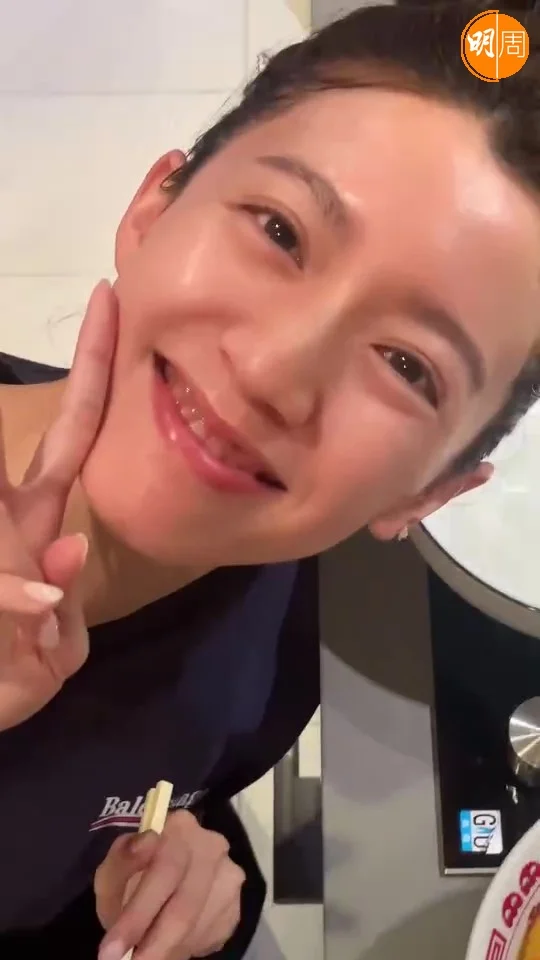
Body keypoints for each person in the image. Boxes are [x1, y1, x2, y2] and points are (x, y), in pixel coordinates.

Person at [0, 0, 538, 956]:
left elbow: (148, 801)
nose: (270, 373)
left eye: (407, 366)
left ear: (427, 493)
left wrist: (182, 863)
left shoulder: (276, 634)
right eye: (281, 232)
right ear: (154, 208)